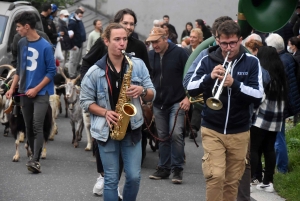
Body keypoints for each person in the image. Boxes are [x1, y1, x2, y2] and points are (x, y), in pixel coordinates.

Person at [187, 20, 263, 200]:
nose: (228, 48)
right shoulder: (207, 59)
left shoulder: (252, 62)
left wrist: (235, 84)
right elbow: (190, 86)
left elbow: (258, 95)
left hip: (240, 130)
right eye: (224, 43)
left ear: (240, 40)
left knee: (232, 182)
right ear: (217, 41)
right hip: (212, 127)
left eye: (233, 43)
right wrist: (209, 77)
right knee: (215, 176)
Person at [80, 8, 151, 197]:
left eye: (125, 39)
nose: (122, 43)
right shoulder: (94, 72)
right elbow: (85, 102)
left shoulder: (138, 65)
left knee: (134, 176)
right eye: (117, 40)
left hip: (132, 128)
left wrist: (143, 91)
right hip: (105, 129)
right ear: (106, 41)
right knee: (111, 178)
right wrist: (104, 112)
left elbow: (152, 93)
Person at [6, 11, 56, 173]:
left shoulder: (46, 46)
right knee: (27, 126)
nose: (17, 30)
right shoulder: (21, 43)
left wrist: (36, 88)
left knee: (37, 125)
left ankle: (35, 160)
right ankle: (33, 154)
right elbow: (19, 69)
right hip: (24, 91)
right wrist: (12, 88)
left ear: (27, 27)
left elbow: (51, 72)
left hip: (41, 93)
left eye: (19, 27)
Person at [147, 27, 189, 184]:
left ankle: (177, 169)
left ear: (165, 39)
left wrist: (188, 97)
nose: (154, 45)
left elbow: (191, 74)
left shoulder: (181, 53)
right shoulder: (150, 55)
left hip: (177, 100)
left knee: (177, 133)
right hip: (158, 102)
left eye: (157, 41)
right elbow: (148, 76)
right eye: (151, 42)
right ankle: (163, 168)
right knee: (162, 136)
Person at [250, 46, 287, 193]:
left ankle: (250, 179)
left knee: (253, 149)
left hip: (261, 118)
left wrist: (251, 111)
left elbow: (259, 98)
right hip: (276, 119)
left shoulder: (264, 75)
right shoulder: (281, 77)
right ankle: (268, 181)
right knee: (269, 149)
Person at [266, 33, 300, 174]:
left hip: (280, 104)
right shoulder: (288, 58)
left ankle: (281, 169)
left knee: (278, 138)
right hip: (289, 102)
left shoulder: (278, 63)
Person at [67, 8, 86, 78]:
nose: (80, 17)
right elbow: (69, 36)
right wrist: (72, 45)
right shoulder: (72, 23)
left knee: (77, 60)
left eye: (81, 16)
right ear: (75, 15)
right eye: (79, 16)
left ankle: (74, 73)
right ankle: (71, 74)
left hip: (79, 43)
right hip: (75, 45)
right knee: (73, 60)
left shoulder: (78, 21)